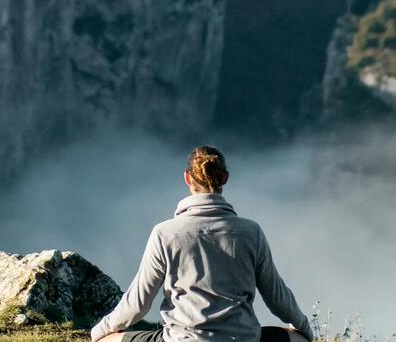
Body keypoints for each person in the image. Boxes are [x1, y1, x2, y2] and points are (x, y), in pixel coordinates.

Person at [90, 145, 314, 342]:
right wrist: (305, 329)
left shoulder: (165, 233)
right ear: (225, 178)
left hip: (182, 339)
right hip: (243, 339)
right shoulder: (251, 232)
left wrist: (98, 332)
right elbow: (277, 297)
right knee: (296, 339)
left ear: (188, 178)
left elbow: (137, 305)